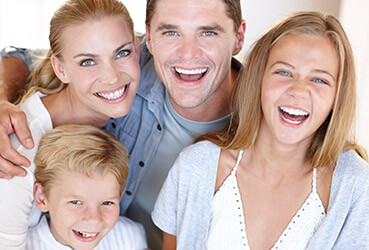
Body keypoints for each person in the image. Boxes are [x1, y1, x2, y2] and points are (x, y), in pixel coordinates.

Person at [0, 0, 246, 248]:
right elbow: (20, 56)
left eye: (208, 32)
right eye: (171, 32)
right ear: (148, 40)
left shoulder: (262, 122)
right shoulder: (18, 151)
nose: (112, 77)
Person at [152, 11, 369, 249]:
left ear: (337, 96)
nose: (298, 91)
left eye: (319, 80)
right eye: (284, 72)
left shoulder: (356, 187)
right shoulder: (196, 167)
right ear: (259, 78)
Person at [0, 0, 140, 248]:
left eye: (122, 53)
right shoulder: (18, 153)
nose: (113, 77)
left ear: (137, 49)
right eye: (88, 61)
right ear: (60, 69)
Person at [28, 124, 147, 249]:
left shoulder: (129, 238)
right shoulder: (22, 245)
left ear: (120, 196)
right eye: (76, 202)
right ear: (42, 197)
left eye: (107, 203)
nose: (94, 219)